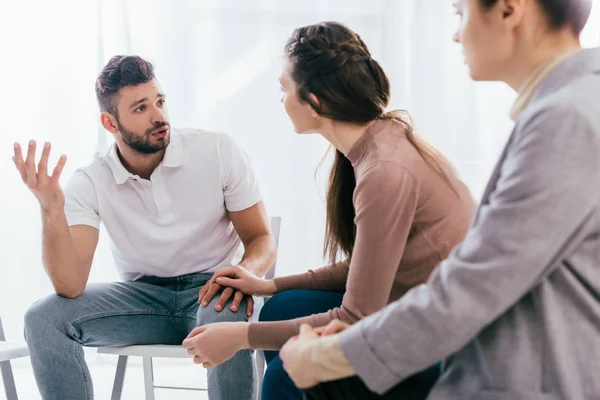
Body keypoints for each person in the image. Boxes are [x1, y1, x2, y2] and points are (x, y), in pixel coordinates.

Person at [278, 1, 600, 399]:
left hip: (526, 379)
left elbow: (471, 289)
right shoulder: (568, 106)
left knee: (293, 374)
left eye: (459, 14)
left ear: (508, 10)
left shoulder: (565, 120)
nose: (456, 34)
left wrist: (327, 356)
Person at [182, 22, 476, 400]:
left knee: (286, 374)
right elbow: (367, 267)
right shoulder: (379, 140)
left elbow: (356, 318)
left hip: (439, 347)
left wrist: (240, 337)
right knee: (280, 308)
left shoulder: (383, 172)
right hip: (408, 312)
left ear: (316, 102)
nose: (282, 100)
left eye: (284, 89)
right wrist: (271, 285)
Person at [14, 55, 276, 400]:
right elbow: (70, 284)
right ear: (110, 123)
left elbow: (260, 238)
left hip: (214, 290)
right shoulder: (91, 180)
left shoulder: (216, 149)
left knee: (224, 310)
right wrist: (51, 209)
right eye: (140, 108)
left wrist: (242, 274)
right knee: (43, 319)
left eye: (160, 101)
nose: (159, 116)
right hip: (142, 299)